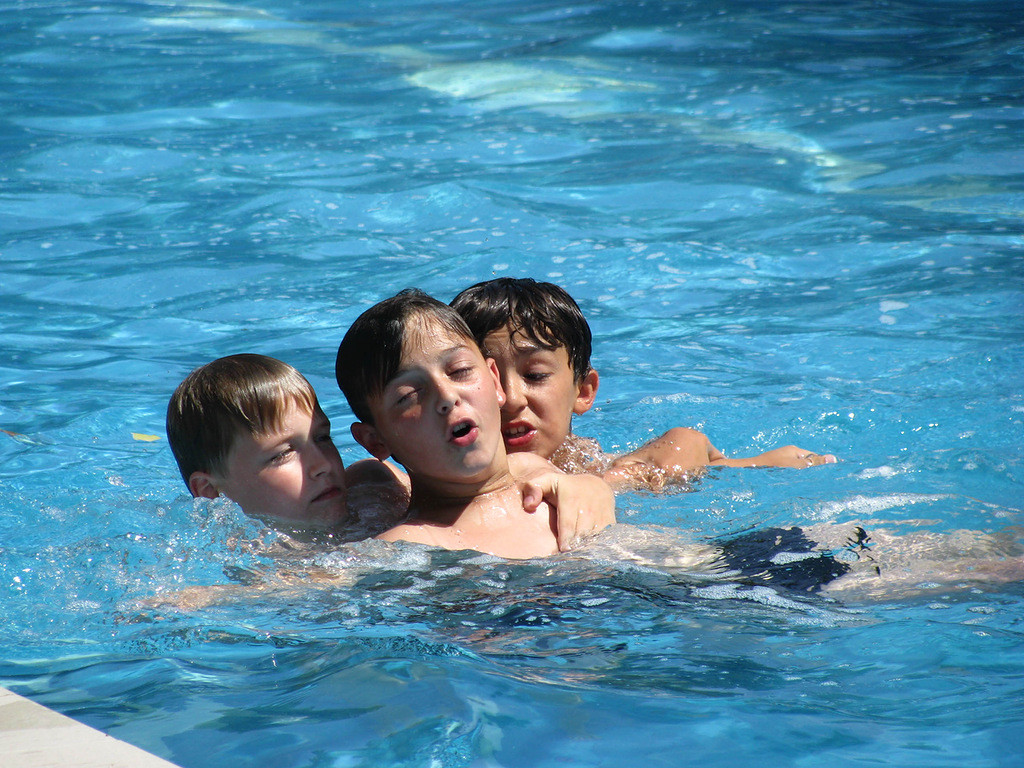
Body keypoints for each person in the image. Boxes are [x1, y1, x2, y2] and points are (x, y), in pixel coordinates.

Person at [166, 353, 613, 549]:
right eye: (283, 454)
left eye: (321, 438)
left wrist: (585, 484)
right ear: (210, 491)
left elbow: (468, 484)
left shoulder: (371, 486)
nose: (322, 465)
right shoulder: (246, 559)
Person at [450, 277, 837, 490]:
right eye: (484, 376)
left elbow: (680, 451)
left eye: (535, 375)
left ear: (583, 392)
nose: (510, 398)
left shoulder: (587, 464)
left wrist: (750, 465)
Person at [335, 289, 616, 559]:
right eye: (409, 395)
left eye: (460, 371)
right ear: (375, 441)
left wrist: (596, 486)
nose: (447, 396)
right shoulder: (404, 548)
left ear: (494, 381)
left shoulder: (551, 478)